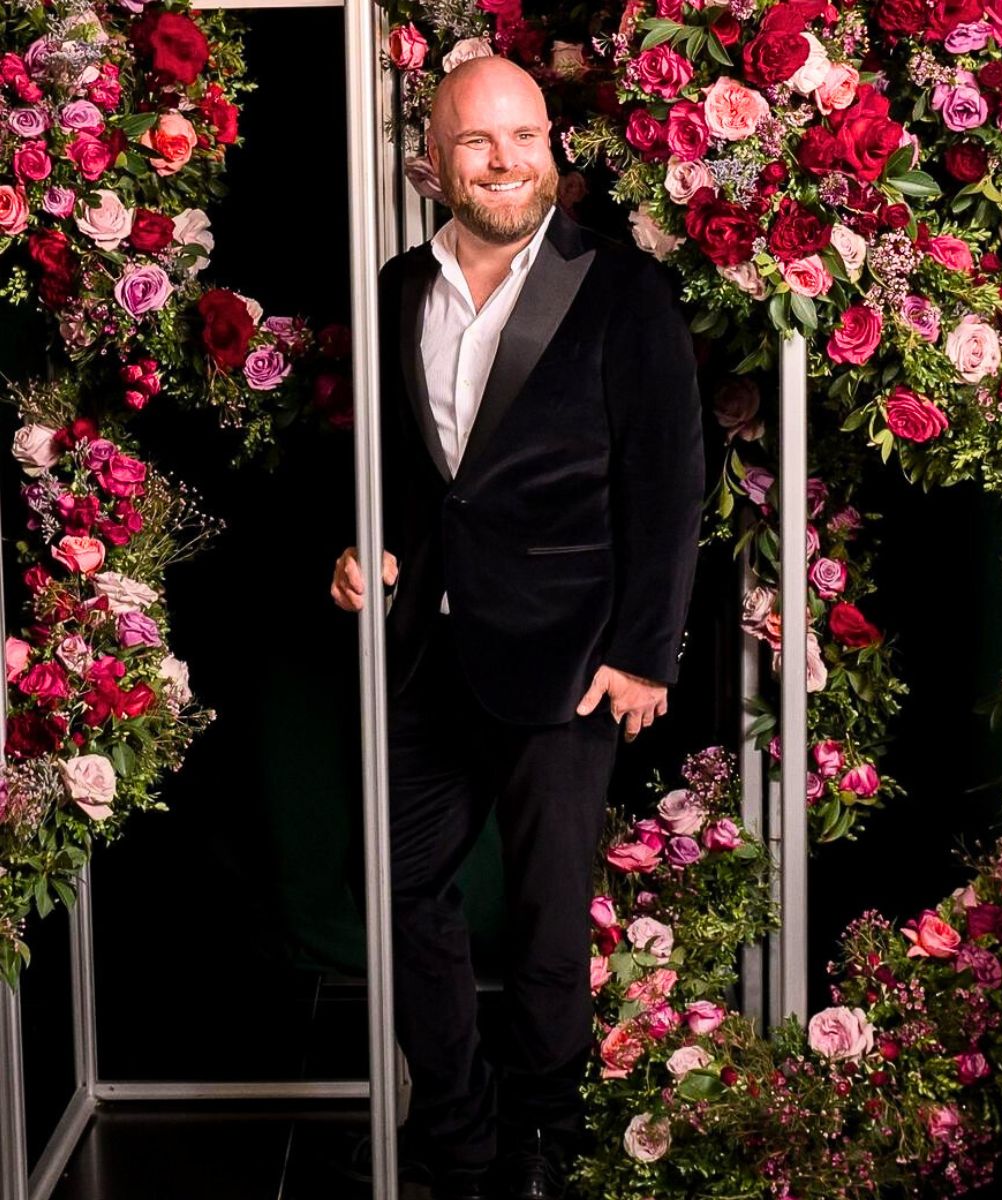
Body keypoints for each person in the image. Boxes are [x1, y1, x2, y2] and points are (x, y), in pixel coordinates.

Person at [331, 53, 703, 1200]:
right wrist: (363, 546)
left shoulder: (622, 288)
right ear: (431, 161)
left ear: (553, 148)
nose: (507, 160)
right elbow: (408, 466)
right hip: (427, 648)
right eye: (480, 142)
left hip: (571, 653)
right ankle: (459, 1134)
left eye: (527, 137)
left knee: (548, 927)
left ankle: (544, 1143)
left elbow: (667, 478)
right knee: (400, 892)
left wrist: (646, 648)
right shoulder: (396, 287)